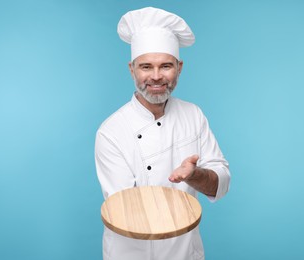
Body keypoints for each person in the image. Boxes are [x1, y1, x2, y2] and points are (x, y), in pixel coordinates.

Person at [95, 7, 230, 260]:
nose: (156, 77)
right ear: (132, 69)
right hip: (130, 254)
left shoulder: (194, 115)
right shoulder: (111, 131)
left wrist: (195, 175)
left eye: (165, 66)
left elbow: (221, 183)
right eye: (146, 67)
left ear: (179, 68)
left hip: (185, 252)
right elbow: (125, 208)